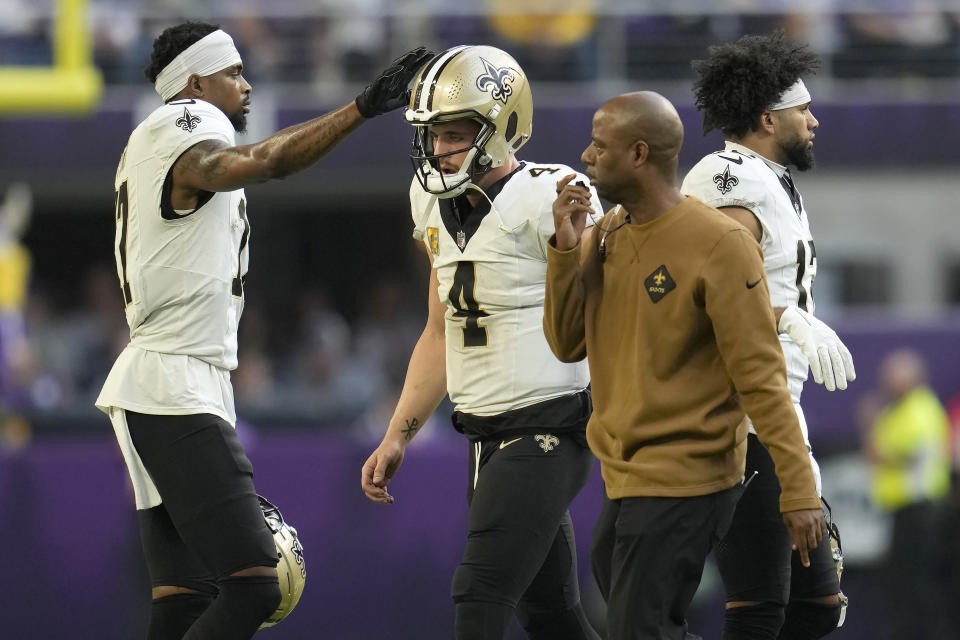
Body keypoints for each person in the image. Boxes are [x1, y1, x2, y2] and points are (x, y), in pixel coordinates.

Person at [95, 21, 431, 639]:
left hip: (168, 378)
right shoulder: (185, 124)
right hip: (174, 381)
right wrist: (360, 109)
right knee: (253, 581)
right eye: (234, 73)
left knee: (181, 599)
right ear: (196, 81)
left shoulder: (159, 138)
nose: (247, 85)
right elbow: (265, 161)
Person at [542, 90, 826, 640]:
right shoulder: (604, 235)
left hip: (688, 474)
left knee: (636, 628)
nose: (585, 156)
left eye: (600, 146)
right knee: (641, 624)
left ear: (640, 155)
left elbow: (761, 379)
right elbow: (566, 342)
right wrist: (565, 249)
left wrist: (798, 489)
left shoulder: (718, 242)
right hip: (624, 475)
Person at [360, 45, 602, 640]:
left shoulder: (553, 193)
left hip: (548, 427)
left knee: (480, 595)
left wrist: (572, 250)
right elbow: (440, 329)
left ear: (501, 129)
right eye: (432, 134)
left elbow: (609, 311)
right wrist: (398, 435)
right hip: (485, 437)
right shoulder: (431, 202)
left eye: (453, 133)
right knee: (551, 617)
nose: (438, 149)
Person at [680, 31, 854, 639]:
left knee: (816, 604)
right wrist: (785, 316)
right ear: (765, 118)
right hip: (741, 414)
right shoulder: (730, 177)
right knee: (760, 606)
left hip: (777, 410)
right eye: (801, 110)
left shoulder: (771, 177)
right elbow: (708, 284)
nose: (812, 120)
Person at [862, 349, 950, 640]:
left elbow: (906, 456)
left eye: (893, 377)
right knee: (901, 583)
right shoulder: (901, 410)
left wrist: (871, 428)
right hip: (903, 509)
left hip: (919, 510)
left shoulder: (919, 408)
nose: (887, 383)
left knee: (916, 584)